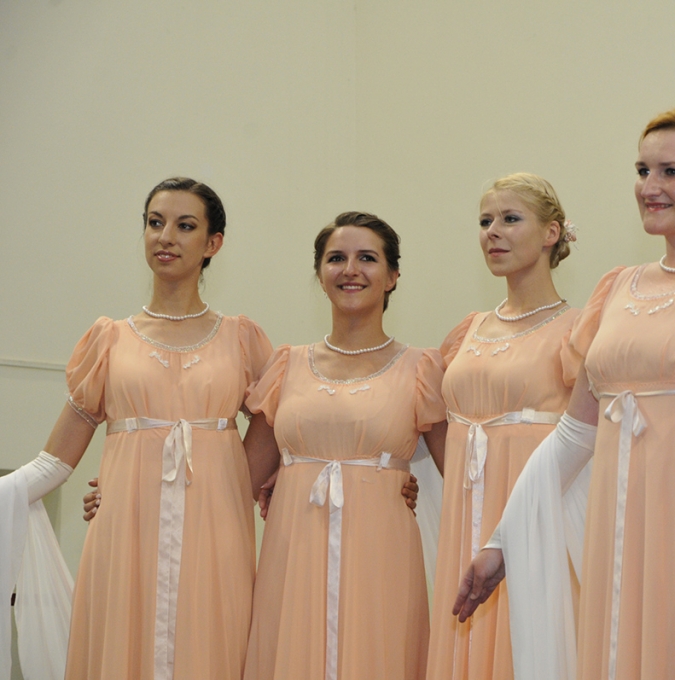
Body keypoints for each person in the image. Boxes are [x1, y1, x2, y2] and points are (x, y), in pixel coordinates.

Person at [454, 106, 675, 680]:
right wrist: (502, 540)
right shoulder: (619, 288)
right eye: (643, 170)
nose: (650, 187)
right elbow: (575, 435)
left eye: (671, 172)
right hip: (617, 530)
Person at [4, 177, 275, 680]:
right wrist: (10, 492)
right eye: (155, 223)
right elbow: (54, 461)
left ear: (213, 243)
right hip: (124, 527)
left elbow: (278, 421)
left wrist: (235, 486)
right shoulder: (110, 339)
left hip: (216, 531)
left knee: (213, 640)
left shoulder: (241, 338)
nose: (165, 236)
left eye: (185, 226)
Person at [241, 212, 447, 680]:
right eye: (336, 258)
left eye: (367, 258)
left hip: (382, 554)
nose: (350, 269)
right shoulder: (285, 366)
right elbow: (233, 483)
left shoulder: (421, 368)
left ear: (392, 276)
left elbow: (460, 474)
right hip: (292, 554)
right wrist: (124, 495)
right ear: (320, 274)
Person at [425, 173, 582, 680]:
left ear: (552, 233)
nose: (492, 231)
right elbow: (432, 425)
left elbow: (590, 440)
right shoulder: (467, 331)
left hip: (538, 514)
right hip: (465, 515)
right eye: (485, 221)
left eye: (510, 219)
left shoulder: (578, 330)